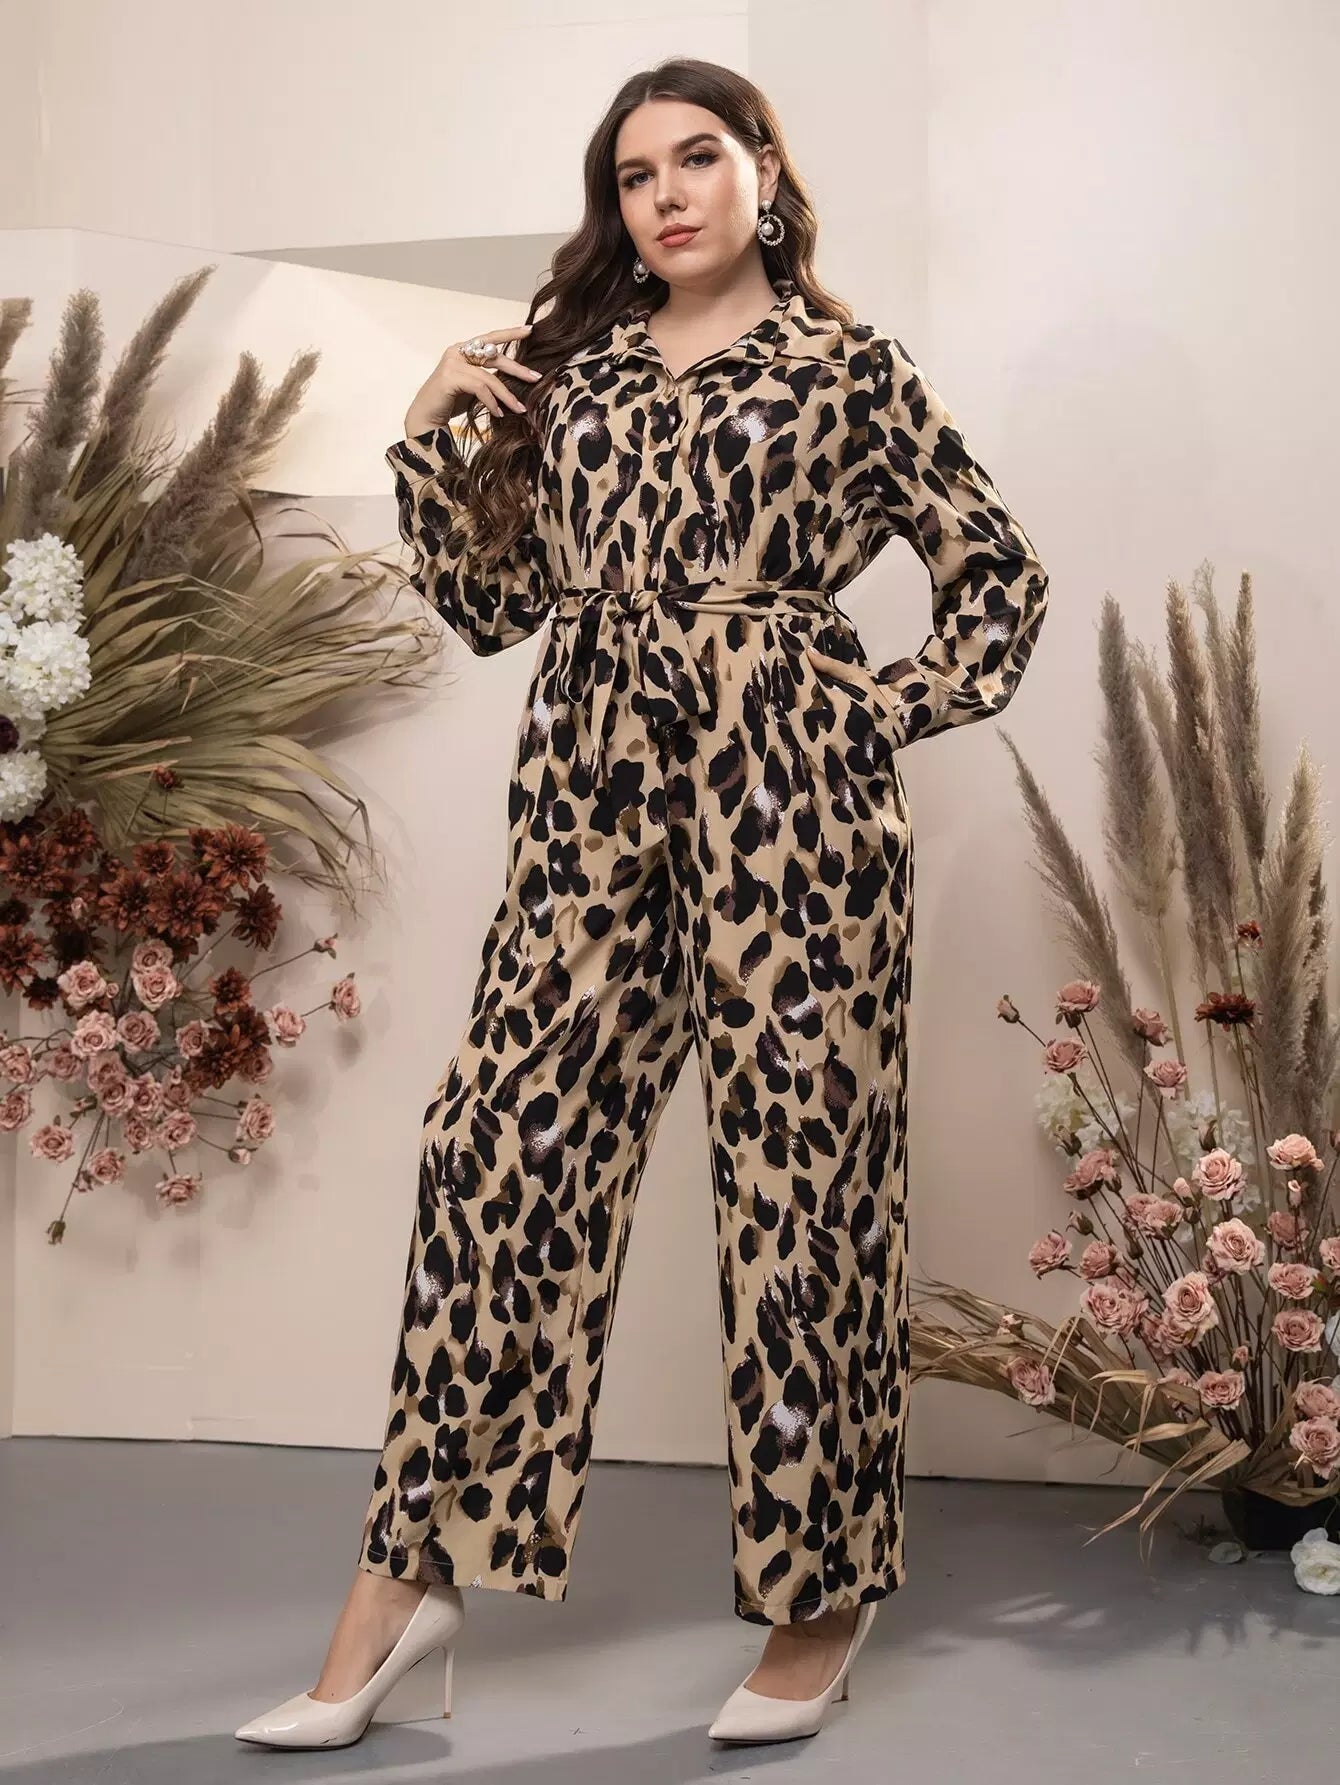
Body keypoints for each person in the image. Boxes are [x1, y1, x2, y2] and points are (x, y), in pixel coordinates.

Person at [235, 53, 1049, 1753]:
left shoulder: (850, 370)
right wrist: (433, 431)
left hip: (793, 811)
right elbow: (492, 605)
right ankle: (410, 1579)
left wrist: (868, 711)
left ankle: (819, 1593)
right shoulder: (580, 374)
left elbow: (999, 575)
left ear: (764, 171)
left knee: (802, 1184)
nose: (665, 195)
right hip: (590, 802)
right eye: (633, 175)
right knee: (498, 1148)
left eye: (696, 158)